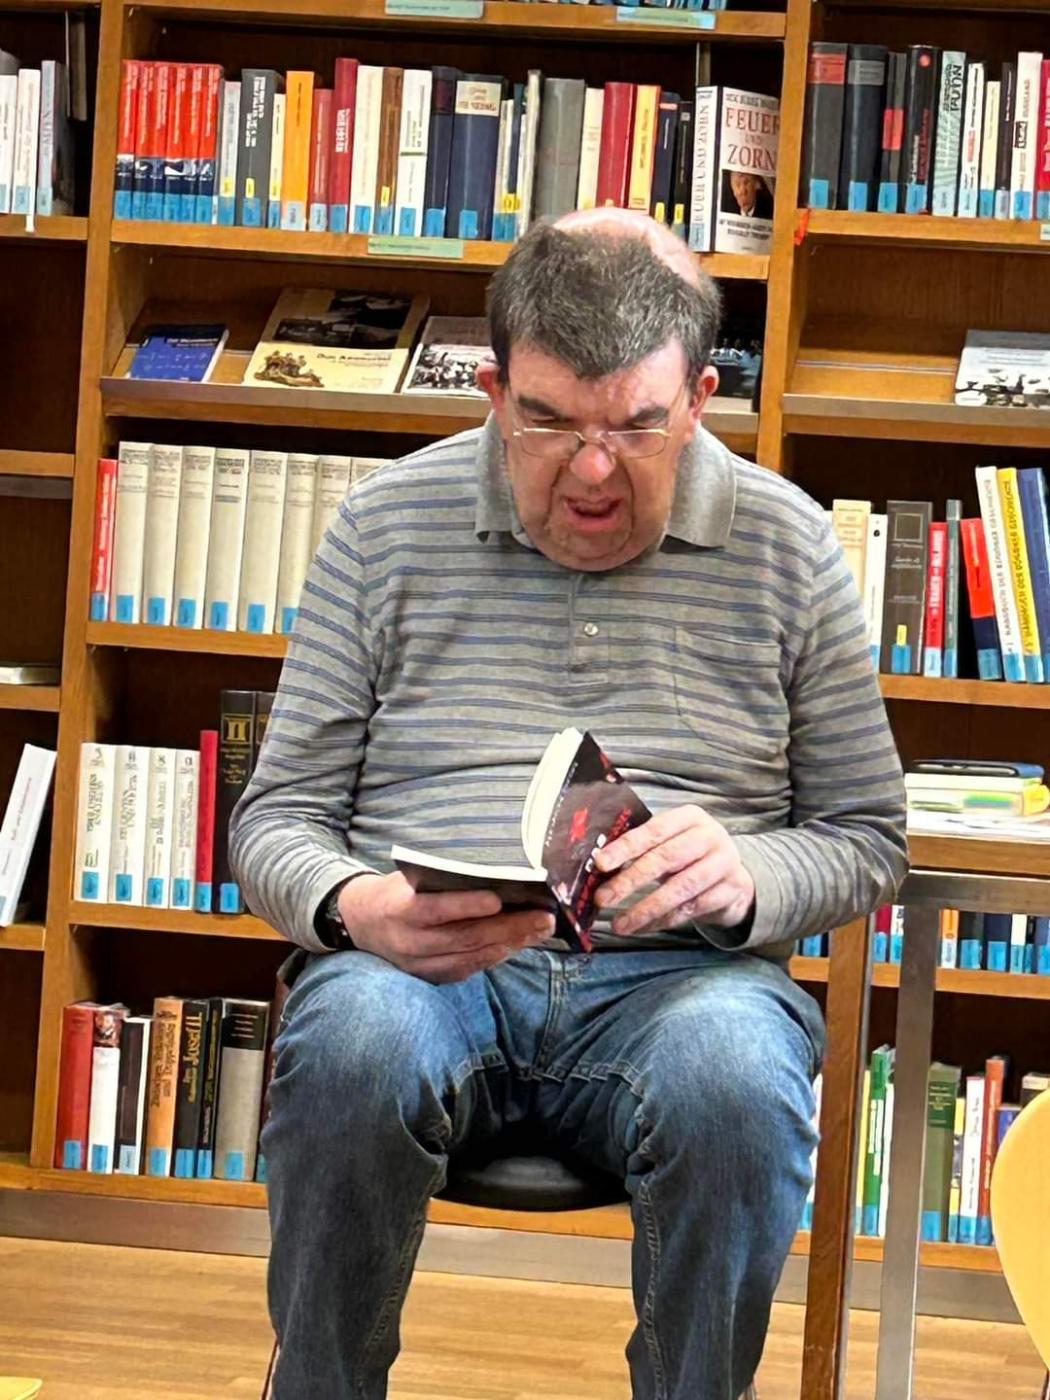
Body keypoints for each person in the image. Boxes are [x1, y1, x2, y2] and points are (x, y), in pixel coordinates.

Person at [230, 209, 908, 1400]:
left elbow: (867, 837)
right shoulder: (383, 525)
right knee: (350, 1043)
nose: (593, 469)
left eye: (638, 425)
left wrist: (750, 875)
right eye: (548, 421)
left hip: (682, 984)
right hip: (423, 976)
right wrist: (354, 907)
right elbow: (274, 817)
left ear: (699, 400)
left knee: (737, 1079)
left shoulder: (791, 545)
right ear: (494, 391)